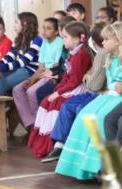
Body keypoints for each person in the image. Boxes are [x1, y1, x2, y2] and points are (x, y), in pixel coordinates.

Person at [55, 22, 122, 180]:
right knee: (84, 116)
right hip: (109, 94)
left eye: (106, 39)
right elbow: (108, 81)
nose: (102, 43)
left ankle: (100, 166)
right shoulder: (109, 57)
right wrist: (112, 85)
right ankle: (79, 166)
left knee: (101, 119)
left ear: (118, 40)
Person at [27, 21, 93, 158]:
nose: (62, 40)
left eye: (65, 37)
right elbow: (67, 76)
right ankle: (48, 144)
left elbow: (75, 81)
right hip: (70, 86)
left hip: (79, 89)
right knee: (46, 101)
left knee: (56, 102)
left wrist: (58, 92)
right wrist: (58, 88)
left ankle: (54, 143)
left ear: (76, 39)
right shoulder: (73, 53)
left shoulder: (81, 55)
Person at [44, 23, 108, 162]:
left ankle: (78, 146)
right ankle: (60, 144)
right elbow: (88, 76)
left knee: (80, 108)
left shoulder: (98, 55)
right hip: (92, 91)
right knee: (67, 106)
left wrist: (89, 77)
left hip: (100, 93)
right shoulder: (97, 55)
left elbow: (94, 83)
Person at [12, 17, 64, 131]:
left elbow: (55, 66)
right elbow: (41, 66)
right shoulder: (44, 42)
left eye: (48, 29)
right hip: (42, 73)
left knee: (31, 91)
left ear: (56, 32)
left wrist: (33, 80)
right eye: (43, 28)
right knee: (17, 89)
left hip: (51, 74)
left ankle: (38, 123)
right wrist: (32, 79)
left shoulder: (59, 43)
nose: (44, 31)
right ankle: (30, 122)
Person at [0, 12, 42, 95]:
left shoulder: (37, 40)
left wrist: (2, 67)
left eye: (16, 22)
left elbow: (24, 61)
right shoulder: (18, 40)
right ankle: (1, 104)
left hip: (30, 71)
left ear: (25, 24)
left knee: (4, 83)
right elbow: (9, 57)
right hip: (19, 69)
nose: (14, 25)